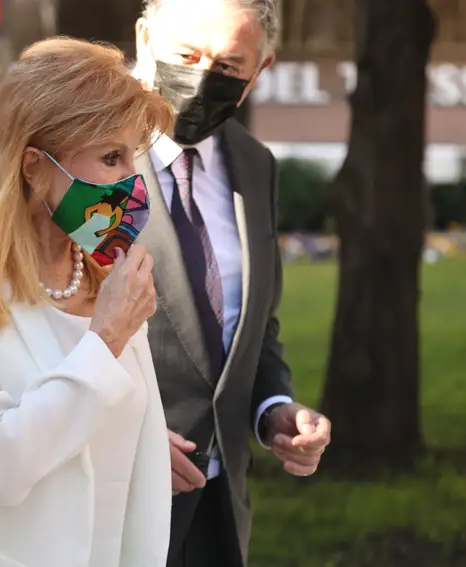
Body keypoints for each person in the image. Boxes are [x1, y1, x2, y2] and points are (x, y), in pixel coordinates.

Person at [0, 38, 174, 567]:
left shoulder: (103, 268)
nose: (132, 183)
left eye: (133, 157)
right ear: (33, 165)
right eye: (110, 157)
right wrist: (105, 340)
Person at [132, 1, 333, 565]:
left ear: (259, 72)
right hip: (109, 507)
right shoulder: (78, 152)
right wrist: (122, 431)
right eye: (185, 56)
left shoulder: (255, 164)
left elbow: (252, 324)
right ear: (144, 39)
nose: (200, 78)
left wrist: (275, 409)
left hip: (221, 509)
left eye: (225, 68)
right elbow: (34, 320)